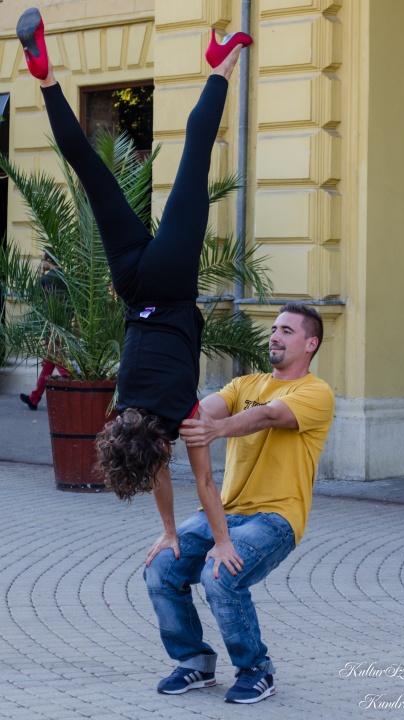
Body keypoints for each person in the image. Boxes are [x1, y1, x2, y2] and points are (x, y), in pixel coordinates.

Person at [16, 9, 253, 570]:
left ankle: (220, 68)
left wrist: (215, 541)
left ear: (158, 451)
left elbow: (203, 485)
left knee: (196, 157)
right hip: (130, 282)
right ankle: (45, 78)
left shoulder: (184, 419)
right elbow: (152, 463)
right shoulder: (123, 408)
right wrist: (168, 529)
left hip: (170, 284)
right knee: (89, 170)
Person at [144, 303, 335, 703]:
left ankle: (256, 669)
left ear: (311, 344)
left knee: (220, 574)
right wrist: (159, 417)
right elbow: (200, 412)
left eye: (287, 331)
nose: (275, 336)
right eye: (274, 329)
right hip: (224, 512)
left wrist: (217, 429)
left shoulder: (316, 393)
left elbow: (269, 416)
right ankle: (194, 661)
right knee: (161, 566)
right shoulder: (243, 384)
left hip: (276, 518)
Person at [20, 249, 69, 411]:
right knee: (50, 361)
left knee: (57, 359)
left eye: (43, 259)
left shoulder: (46, 279)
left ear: (48, 260)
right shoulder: (67, 279)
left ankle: (73, 382)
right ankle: (34, 398)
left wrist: (41, 272)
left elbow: (34, 297)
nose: (42, 262)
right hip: (65, 325)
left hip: (51, 326)